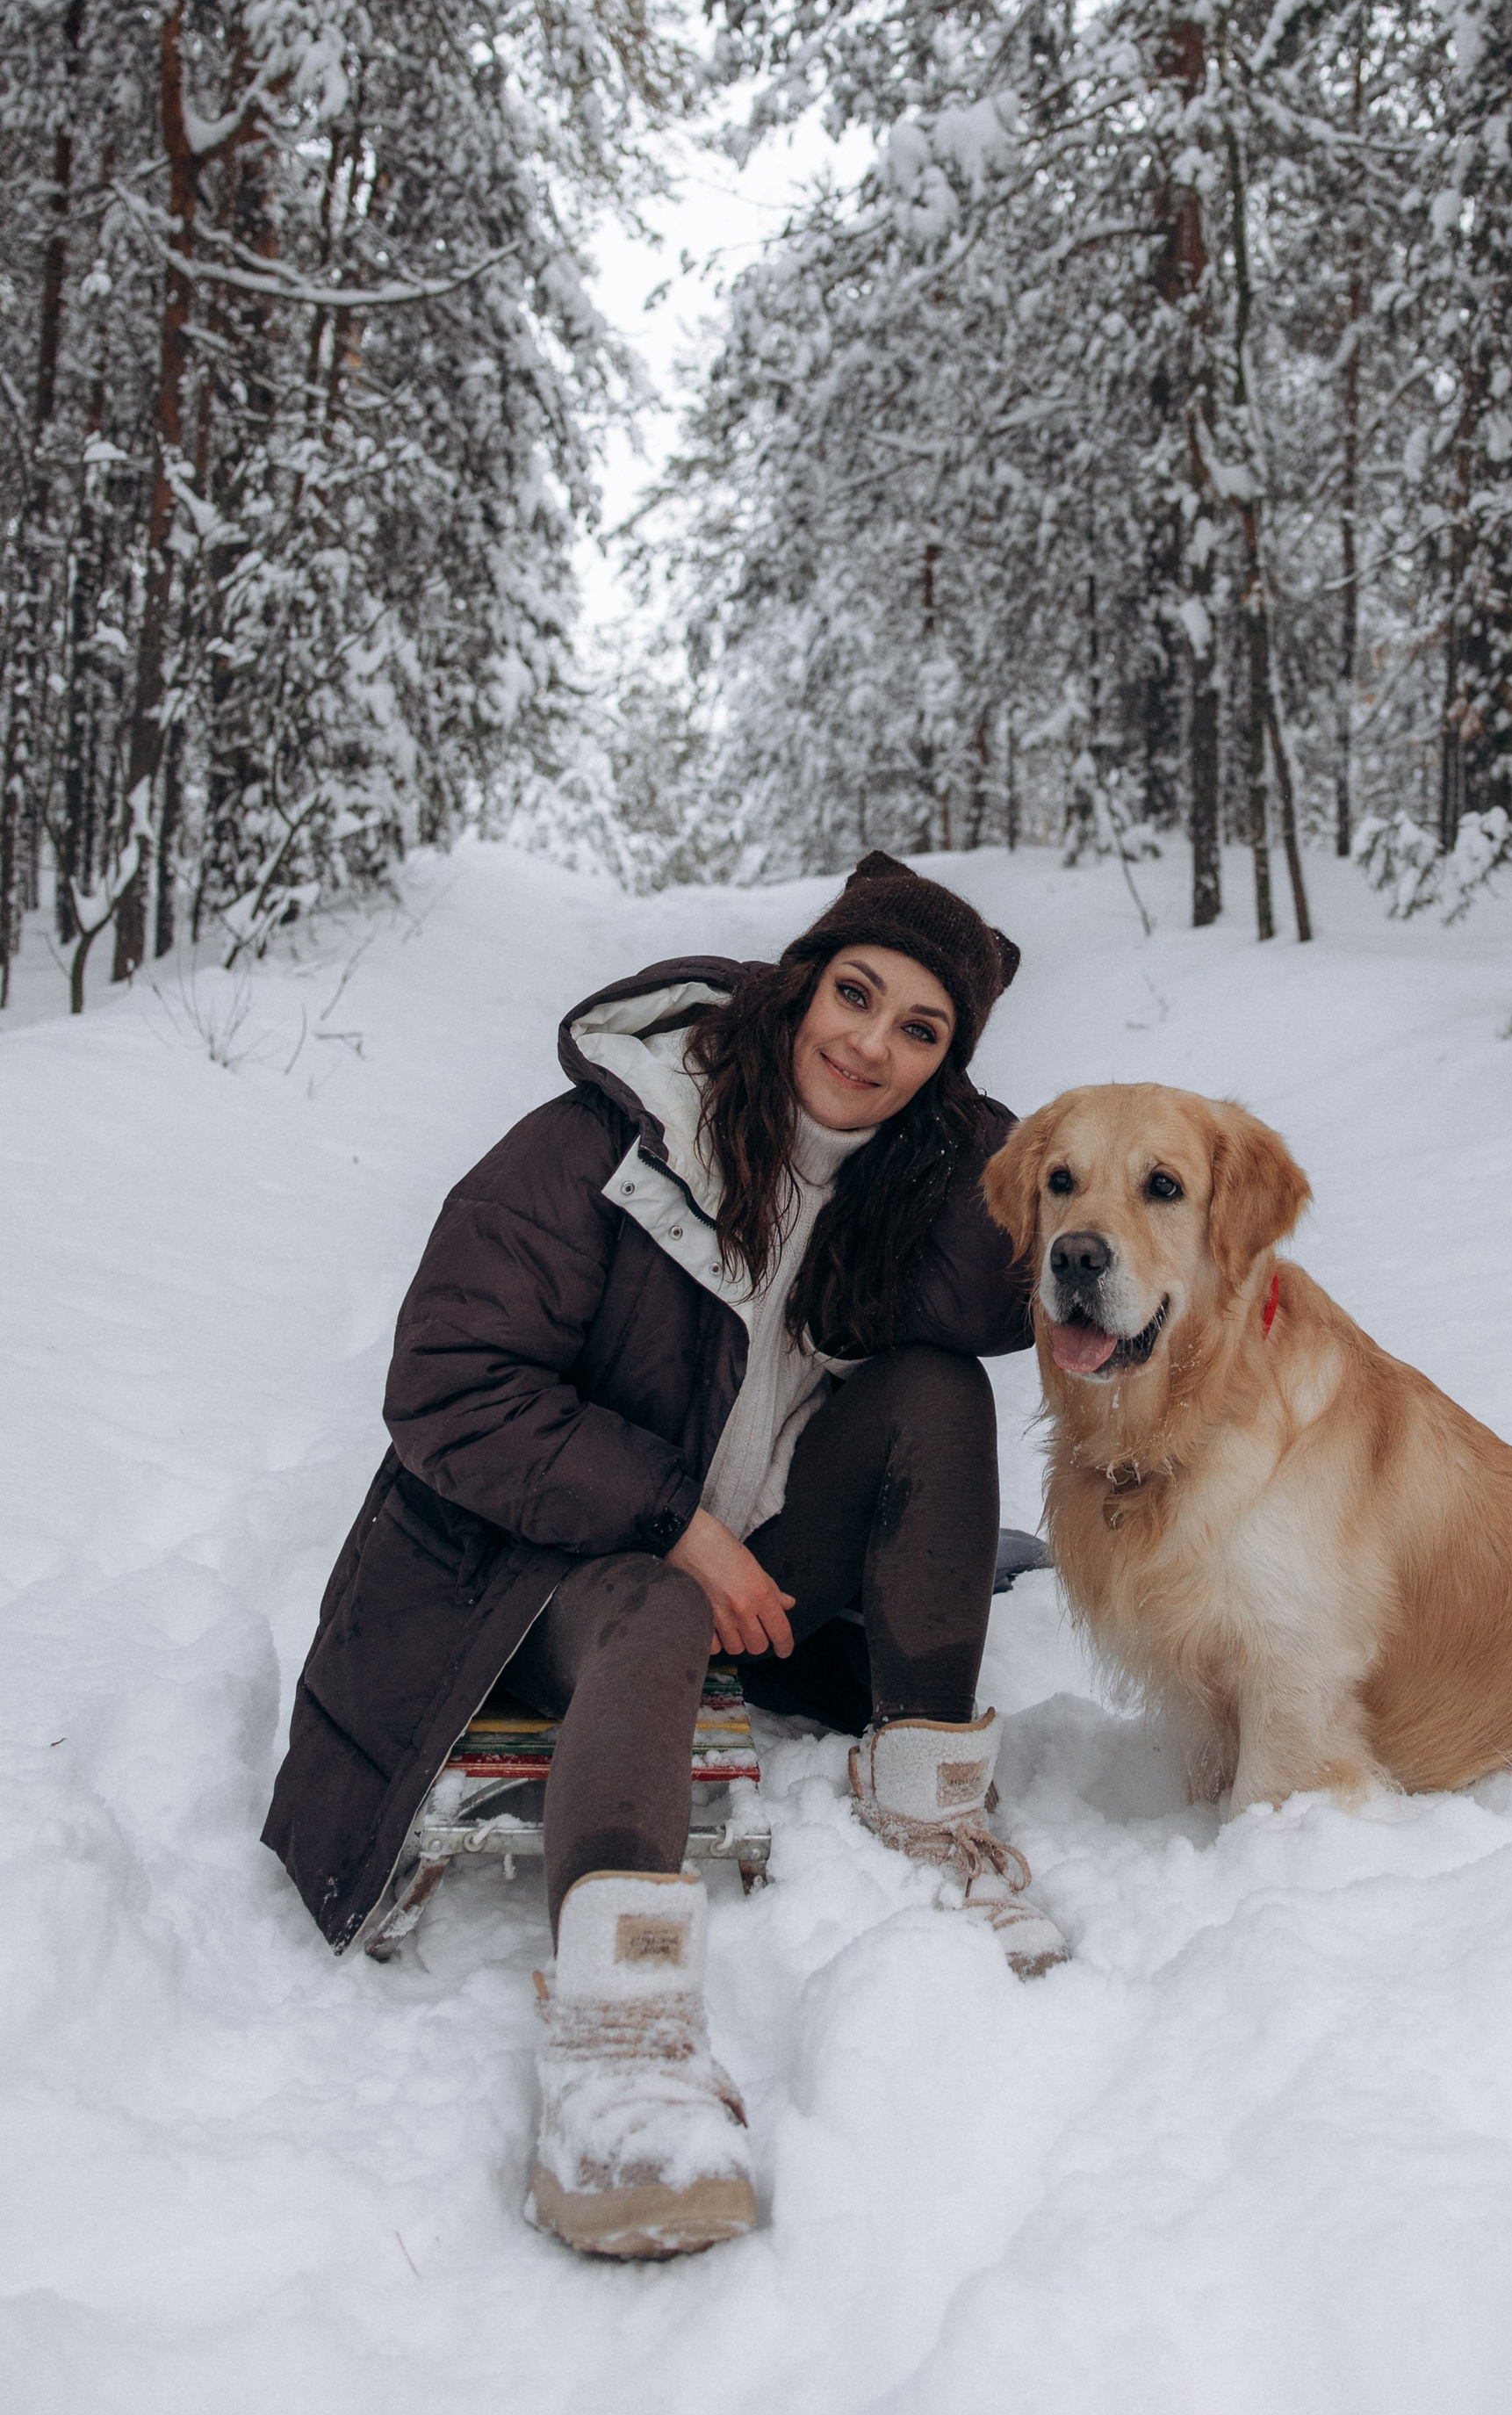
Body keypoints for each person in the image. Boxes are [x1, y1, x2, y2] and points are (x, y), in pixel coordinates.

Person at [263, 853, 1058, 2262]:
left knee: (939, 1392)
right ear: (799, 984)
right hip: (534, 1577)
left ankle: (931, 1801)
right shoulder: (609, 1142)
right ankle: (618, 2037)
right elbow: (449, 1383)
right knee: (652, 1600)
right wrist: (678, 1524)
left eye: (921, 1030)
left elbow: (1032, 1248)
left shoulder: (901, 1184)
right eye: (855, 992)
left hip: (761, 1564)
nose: (870, 1044)